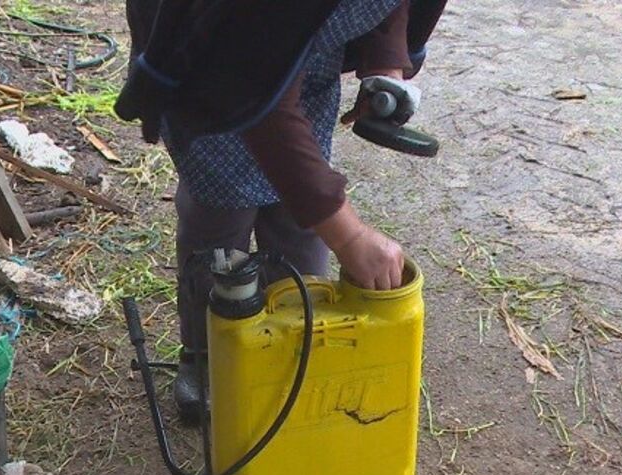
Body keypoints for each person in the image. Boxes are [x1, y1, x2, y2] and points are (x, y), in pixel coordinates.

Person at [117, 0, 447, 419]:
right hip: (211, 66)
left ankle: (297, 344)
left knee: (300, 223)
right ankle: (207, 356)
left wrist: (385, 65)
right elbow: (255, 91)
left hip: (298, 65)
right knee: (218, 229)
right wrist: (349, 236)